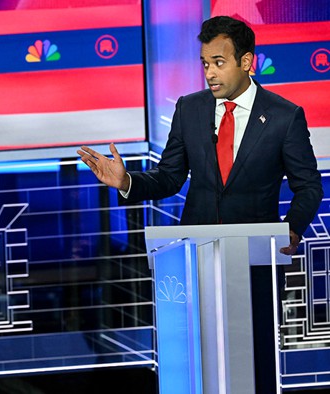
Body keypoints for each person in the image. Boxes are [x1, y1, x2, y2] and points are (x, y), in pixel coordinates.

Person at [78, 16, 322, 393]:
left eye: (219, 63)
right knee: (195, 366)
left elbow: (308, 187)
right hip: (193, 260)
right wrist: (126, 181)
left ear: (246, 62)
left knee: (254, 365)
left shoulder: (283, 116)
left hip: (255, 261)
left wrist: (290, 229)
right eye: (205, 63)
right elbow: (168, 177)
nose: (209, 73)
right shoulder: (189, 109)